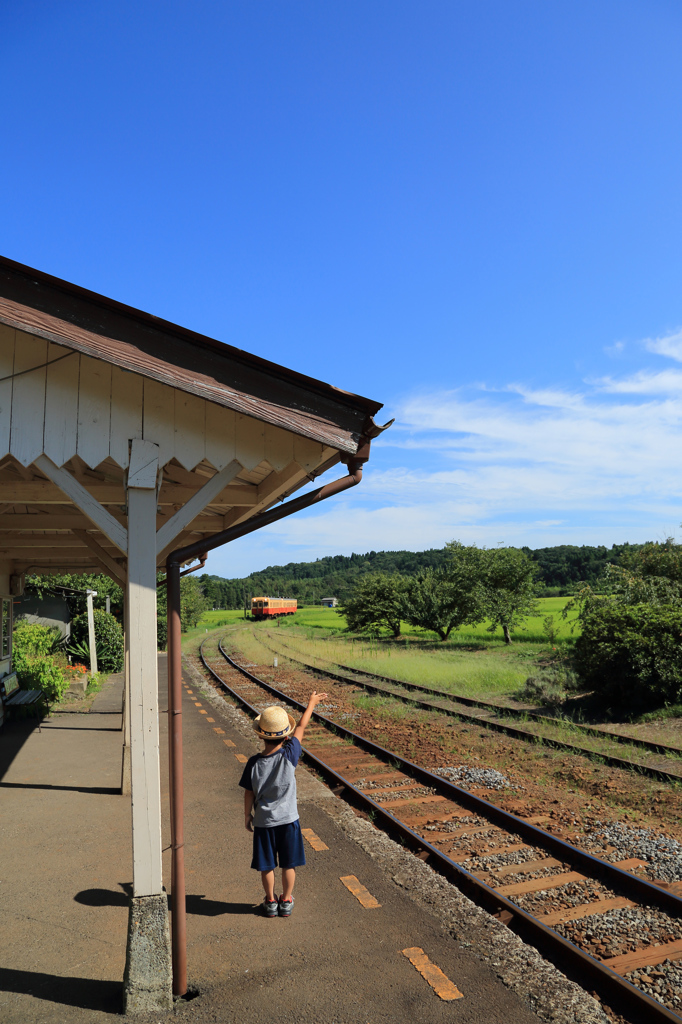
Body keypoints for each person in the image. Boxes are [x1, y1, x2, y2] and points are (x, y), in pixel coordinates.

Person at [239, 691, 328, 917]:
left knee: (266, 865)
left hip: (263, 822)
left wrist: (248, 816)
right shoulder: (290, 754)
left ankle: (270, 901)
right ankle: (286, 900)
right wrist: (311, 704)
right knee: (289, 864)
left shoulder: (253, 763)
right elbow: (301, 727)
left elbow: (248, 793)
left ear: (261, 736)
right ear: (285, 737)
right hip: (288, 821)